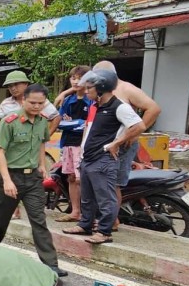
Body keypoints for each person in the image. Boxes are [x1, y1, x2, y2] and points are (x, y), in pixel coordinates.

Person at [0, 84, 66, 277]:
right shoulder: (10, 121)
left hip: (32, 178)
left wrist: (41, 165)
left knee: (38, 220)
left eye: (41, 103)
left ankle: (51, 264)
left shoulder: (41, 122)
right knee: (1, 218)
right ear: (24, 100)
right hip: (11, 176)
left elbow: (41, 143)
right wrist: (7, 181)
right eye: (32, 102)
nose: (36, 107)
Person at [63, 69, 144, 244]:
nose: (86, 91)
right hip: (89, 158)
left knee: (105, 198)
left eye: (89, 88)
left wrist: (116, 143)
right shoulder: (96, 106)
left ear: (101, 88)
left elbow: (139, 126)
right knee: (88, 196)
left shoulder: (119, 106)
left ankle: (104, 232)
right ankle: (85, 225)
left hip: (103, 159)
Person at [92, 60, 161, 215]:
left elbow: (154, 109)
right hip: (104, 144)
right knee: (101, 182)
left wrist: (134, 132)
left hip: (122, 145)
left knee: (113, 184)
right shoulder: (101, 90)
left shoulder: (125, 88)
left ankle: (111, 221)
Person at [53, 65, 94, 224]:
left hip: (83, 145)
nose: (76, 82)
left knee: (81, 179)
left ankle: (87, 213)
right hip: (67, 143)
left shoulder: (91, 100)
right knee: (71, 177)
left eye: (80, 78)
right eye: (73, 78)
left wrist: (72, 124)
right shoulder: (67, 99)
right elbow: (59, 120)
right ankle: (75, 211)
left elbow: (87, 124)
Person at [0, 70, 60, 135]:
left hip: (33, 142)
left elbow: (56, 117)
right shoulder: (6, 103)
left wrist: (47, 135)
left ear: (26, 84)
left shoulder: (39, 100)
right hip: (12, 142)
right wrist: (0, 134)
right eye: (10, 86)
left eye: (16, 84)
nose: (13, 88)